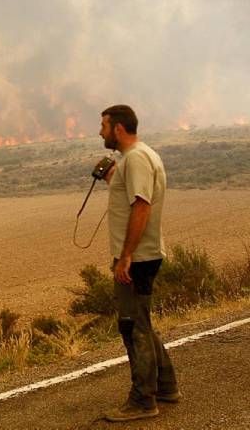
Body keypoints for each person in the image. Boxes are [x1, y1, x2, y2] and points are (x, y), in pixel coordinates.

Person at [98, 105, 180, 422]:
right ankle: (166, 386)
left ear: (118, 128)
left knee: (133, 328)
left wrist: (126, 256)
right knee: (142, 324)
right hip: (143, 254)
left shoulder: (135, 158)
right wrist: (111, 181)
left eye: (103, 125)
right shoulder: (138, 157)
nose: (100, 131)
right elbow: (133, 197)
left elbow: (141, 207)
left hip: (138, 257)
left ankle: (143, 401)